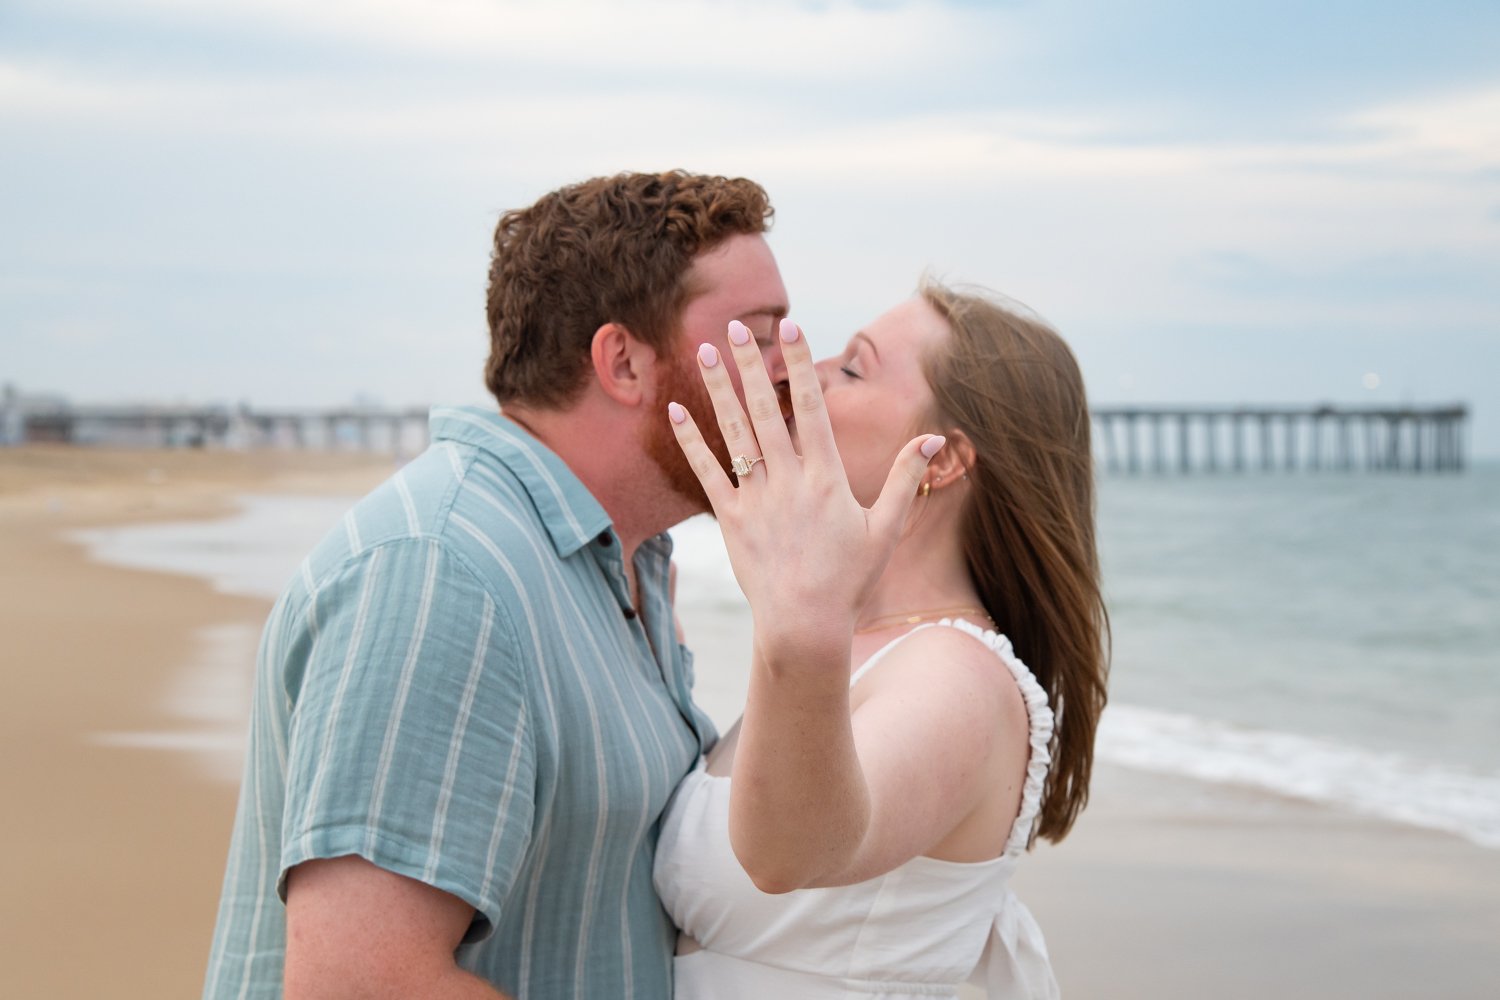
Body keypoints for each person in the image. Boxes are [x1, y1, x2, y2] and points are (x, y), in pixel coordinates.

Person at [203, 170, 790, 999]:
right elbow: (356, 984)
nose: (790, 368)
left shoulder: (617, 560)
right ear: (623, 361)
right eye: (758, 337)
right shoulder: (444, 573)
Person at [653, 280, 1109, 998]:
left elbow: (789, 852)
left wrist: (796, 610)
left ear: (942, 460)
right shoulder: (852, 644)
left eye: (852, 367)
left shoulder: (959, 680)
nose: (801, 373)